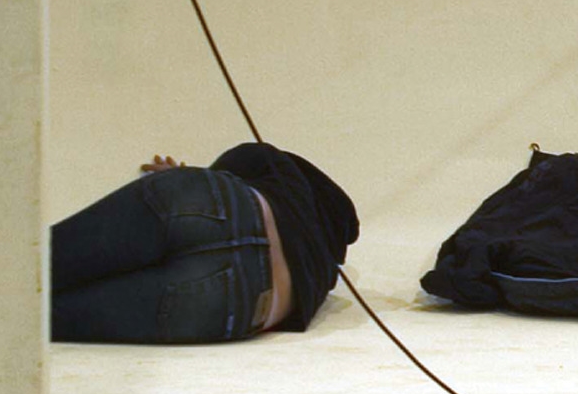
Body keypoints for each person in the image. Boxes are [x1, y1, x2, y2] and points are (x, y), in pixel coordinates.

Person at [49, 144, 359, 345]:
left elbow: (241, 158)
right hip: (238, 301)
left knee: (39, 266)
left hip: (214, 204)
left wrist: (187, 175)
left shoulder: (284, 171)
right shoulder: (319, 278)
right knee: (39, 316)